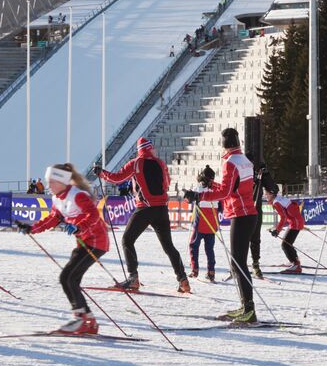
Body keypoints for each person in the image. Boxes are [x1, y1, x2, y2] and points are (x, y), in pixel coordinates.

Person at [14, 164, 110, 334]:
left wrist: (79, 227)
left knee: (68, 277)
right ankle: (88, 320)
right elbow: (53, 218)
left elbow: (93, 215)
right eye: (48, 181)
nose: (48, 185)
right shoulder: (57, 198)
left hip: (96, 242)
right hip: (84, 242)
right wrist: (31, 228)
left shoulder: (77, 195)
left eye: (52, 181)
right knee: (71, 278)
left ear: (62, 181)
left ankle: (81, 319)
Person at [91, 137, 191, 293]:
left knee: (127, 240)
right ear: (149, 148)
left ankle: (133, 278)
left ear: (139, 150)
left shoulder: (135, 163)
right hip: (162, 209)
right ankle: (183, 280)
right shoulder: (160, 163)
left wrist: (101, 173)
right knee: (169, 246)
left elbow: (117, 178)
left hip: (145, 208)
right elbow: (167, 183)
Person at [182, 127, 258, 323]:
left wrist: (199, 195)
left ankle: (248, 309)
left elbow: (225, 193)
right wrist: (211, 184)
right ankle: (245, 306)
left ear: (224, 144)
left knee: (238, 263)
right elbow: (233, 188)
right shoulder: (244, 161)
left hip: (240, 215)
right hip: (248, 213)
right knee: (238, 262)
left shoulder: (230, 162)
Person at [265, 182, 305, 274]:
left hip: (295, 223)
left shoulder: (276, 202)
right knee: (288, 243)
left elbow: (283, 217)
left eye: (266, 194)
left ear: (271, 193)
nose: (265, 196)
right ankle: (294, 261)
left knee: (285, 245)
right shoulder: (278, 199)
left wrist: (277, 230)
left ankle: (296, 265)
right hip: (296, 222)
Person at [187, 166, 218, 282]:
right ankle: (211, 272)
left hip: (200, 224)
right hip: (212, 224)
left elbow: (190, 199)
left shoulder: (199, 187)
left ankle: (195, 270)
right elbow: (220, 207)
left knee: (193, 246)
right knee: (210, 249)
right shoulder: (216, 188)